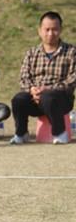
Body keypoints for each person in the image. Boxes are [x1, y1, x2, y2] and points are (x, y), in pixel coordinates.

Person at [10, 11, 76, 144]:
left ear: (60, 30)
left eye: (55, 29)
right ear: (39, 31)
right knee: (18, 99)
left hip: (60, 100)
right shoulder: (32, 53)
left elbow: (72, 79)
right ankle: (21, 133)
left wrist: (48, 89)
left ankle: (59, 133)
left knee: (48, 97)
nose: (51, 34)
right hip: (35, 99)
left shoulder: (71, 52)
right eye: (47, 29)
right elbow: (24, 77)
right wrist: (32, 89)